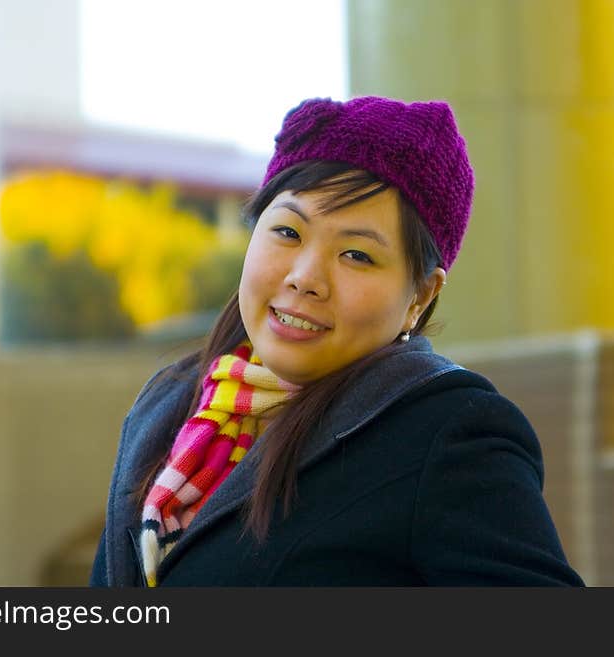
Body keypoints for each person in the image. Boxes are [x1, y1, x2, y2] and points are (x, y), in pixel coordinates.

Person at [89, 96, 585, 587]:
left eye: (356, 255)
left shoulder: (449, 435)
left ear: (420, 296)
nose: (306, 278)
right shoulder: (167, 404)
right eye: (287, 231)